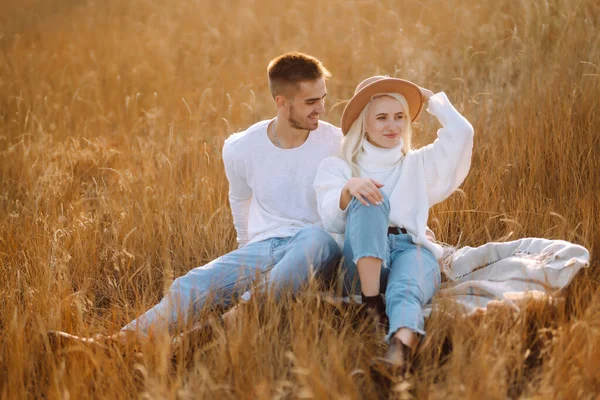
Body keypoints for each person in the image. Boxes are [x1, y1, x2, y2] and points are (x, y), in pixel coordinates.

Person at [48, 52, 343, 347]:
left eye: (323, 98)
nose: (322, 108)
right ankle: (114, 344)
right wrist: (245, 250)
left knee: (315, 237)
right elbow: (240, 200)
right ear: (282, 102)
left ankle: (225, 325)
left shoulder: (337, 143)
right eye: (311, 102)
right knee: (193, 282)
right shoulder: (241, 147)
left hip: (317, 245)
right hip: (267, 245)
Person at [313, 76, 474, 375]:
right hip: (360, 261)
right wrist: (350, 187)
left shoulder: (416, 163)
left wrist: (430, 99)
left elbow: (462, 133)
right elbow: (331, 220)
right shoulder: (339, 166)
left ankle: (399, 353)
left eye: (399, 117)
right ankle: (371, 303)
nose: (393, 125)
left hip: (410, 247)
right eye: (382, 118)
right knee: (369, 194)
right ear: (364, 123)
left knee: (406, 289)